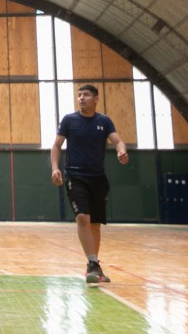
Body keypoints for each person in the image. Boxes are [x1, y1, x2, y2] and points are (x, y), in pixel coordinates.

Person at [51, 84, 129, 284]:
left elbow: (117, 141)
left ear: (96, 99)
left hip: (98, 179)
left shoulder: (104, 121)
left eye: (86, 95)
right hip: (75, 177)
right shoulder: (69, 120)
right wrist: (55, 168)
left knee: (95, 223)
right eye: (79, 95)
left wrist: (121, 150)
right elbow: (57, 145)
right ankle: (92, 262)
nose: (81, 98)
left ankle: (94, 266)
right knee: (83, 218)